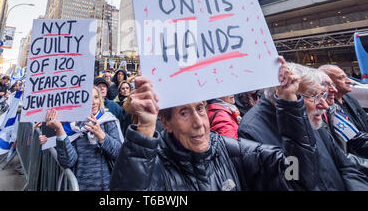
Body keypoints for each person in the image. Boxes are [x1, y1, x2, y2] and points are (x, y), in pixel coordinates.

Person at [110, 57, 319, 191]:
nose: (199, 124)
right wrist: (144, 132)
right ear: (166, 122)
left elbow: (299, 177)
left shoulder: (232, 151)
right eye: (184, 113)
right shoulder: (155, 164)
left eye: (200, 108)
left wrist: (290, 103)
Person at [238, 63, 368, 190]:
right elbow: (292, 179)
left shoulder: (312, 118)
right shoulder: (252, 130)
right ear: (286, 94)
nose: (324, 105)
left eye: (322, 95)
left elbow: (345, 165)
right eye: (314, 96)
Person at [45, 87, 123, 191]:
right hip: (80, 185)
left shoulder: (109, 120)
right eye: (88, 98)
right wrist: (59, 130)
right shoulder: (73, 124)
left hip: (106, 186)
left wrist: (102, 136)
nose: (93, 102)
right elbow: (68, 161)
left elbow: (119, 153)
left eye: (96, 97)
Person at [319, 64, 368, 133]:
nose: (349, 81)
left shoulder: (348, 98)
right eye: (341, 78)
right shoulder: (326, 108)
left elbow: (365, 119)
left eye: (346, 76)